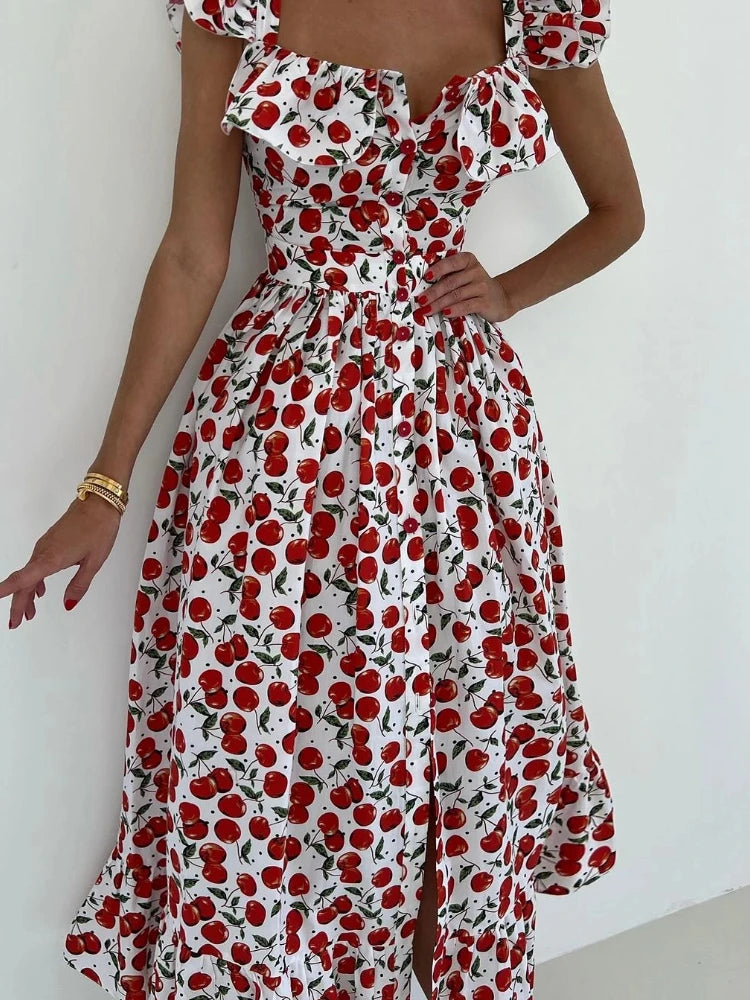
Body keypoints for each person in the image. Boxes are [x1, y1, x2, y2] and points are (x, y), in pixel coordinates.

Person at [1, 1, 643, 998]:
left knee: (458, 748)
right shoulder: (244, 10)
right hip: (283, 448)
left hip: (460, 445)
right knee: (277, 759)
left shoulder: (532, 12)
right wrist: (104, 480)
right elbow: (191, 252)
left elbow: (620, 213)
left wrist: (510, 290)